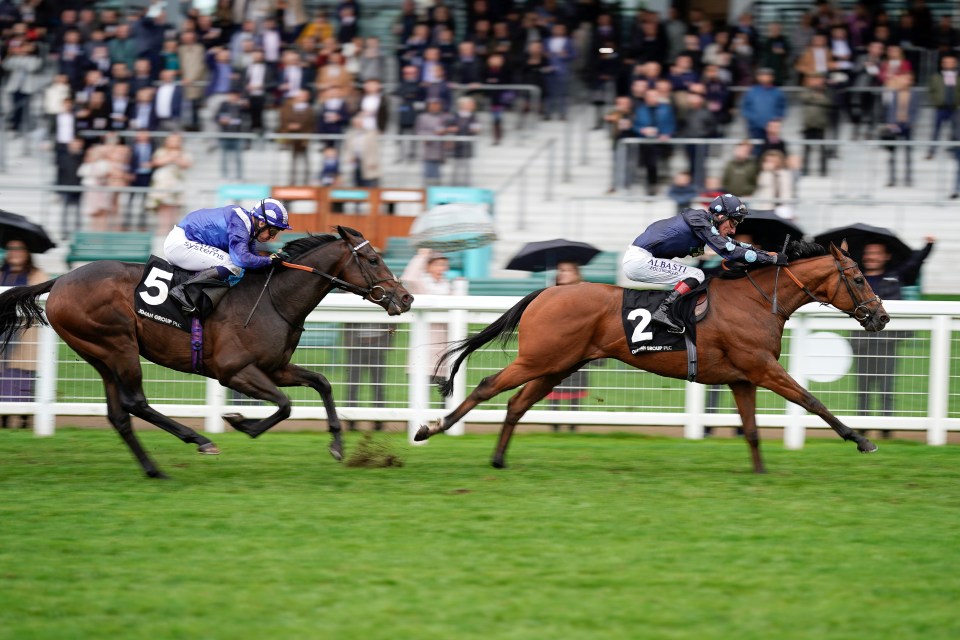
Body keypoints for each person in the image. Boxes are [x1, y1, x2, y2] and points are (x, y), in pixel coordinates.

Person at [622, 194, 785, 332]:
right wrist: (769, 259)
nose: (734, 230)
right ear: (720, 216)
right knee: (696, 274)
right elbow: (729, 250)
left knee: (698, 276)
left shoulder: (703, 222)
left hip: (642, 259)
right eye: (733, 223)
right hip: (639, 260)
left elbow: (734, 245)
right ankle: (664, 311)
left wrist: (766, 254)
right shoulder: (699, 219)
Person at [850, 237, 935, 422]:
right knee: (862, 391)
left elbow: (915, 262)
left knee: (886, 389)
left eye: (876, 253)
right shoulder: (855, 279)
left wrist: (928, 246)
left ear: (886, 256)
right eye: (869, 253)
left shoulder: (895, 276)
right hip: (861, 343)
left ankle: (886, 428)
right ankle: (862, 427)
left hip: (887, 344)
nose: (871, 256)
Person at [163, 198, 292, 315]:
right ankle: (183, 290)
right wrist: (269, 260)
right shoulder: (240, 225)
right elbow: (242, 260)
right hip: (180, 244)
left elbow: (254, 258)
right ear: (262, 223)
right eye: (273, 231)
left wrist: (273, 262)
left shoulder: (249, 229)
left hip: (186, 241)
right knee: (232, 265)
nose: (273, 237)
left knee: (237, 267)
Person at [0, 240, 48, 429]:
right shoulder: (2, 274)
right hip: (3, 335)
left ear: (27, 252)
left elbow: (39, 303)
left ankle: (24, 417)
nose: (15, 253)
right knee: (2, 376)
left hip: (24, 334)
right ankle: (3, 417)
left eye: (19, 248)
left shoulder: (36, 275)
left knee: (21, 376)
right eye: (11, 249)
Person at [546, 261, 589, 432]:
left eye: (567, 270)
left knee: (574, 393)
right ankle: (554, 427)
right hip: (555, 348)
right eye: (560, 270)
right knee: (552, 387)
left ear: (576, 273)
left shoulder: (585, 293)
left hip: (578, 349)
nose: (562, 273)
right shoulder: (551, 294)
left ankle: (572, 427)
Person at [401, 249, 452, 385]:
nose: (441, 268)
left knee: (446, 386)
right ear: (428, 266)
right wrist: (421, 256)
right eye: (437, 264)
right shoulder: (421, 285)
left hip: (444, 341)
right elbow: (409, 277)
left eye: (443, 265)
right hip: (424, 340)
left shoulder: (448, 286)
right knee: (422, 382)